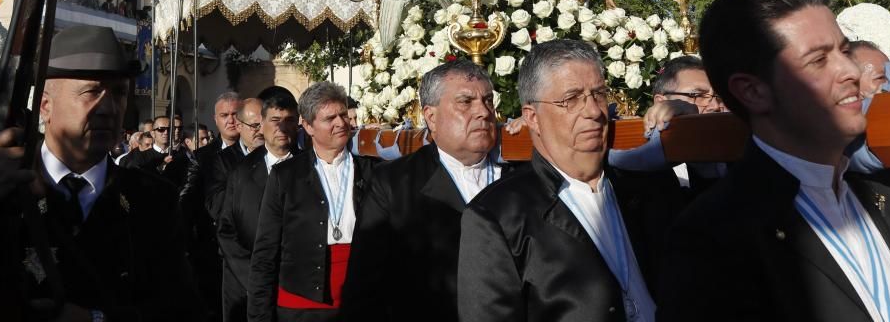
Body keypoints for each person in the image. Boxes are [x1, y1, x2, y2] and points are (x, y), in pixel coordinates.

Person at [657, 0, 890, 321]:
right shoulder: (712, 239)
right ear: (752, 91)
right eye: (818, 60)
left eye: (843, 50)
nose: (850, 71)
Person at [0, 24, 199, 320]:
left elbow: (182, 308)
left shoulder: (153, 197)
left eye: (119, 93)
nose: (109, 107)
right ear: (45, 105)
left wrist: (96, 319)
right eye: (91, 92)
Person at [457, 40, 682, 322]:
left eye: (598, 94)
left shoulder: (647, 184)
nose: (594, 111)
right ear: (533, 118)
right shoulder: (496, 216)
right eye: (571, 99)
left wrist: (690, 130)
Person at [342, 60, 510, 321]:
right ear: (431, 117)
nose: (483, 112)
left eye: (488, 100)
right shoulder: (394, 183)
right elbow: (364, 286)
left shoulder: (519, 177)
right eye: (466, 102)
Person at [247, 82, 374, 321]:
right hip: (301, 307)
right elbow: (265, 253)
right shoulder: (286, 176)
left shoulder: (373, 172)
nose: (341, 123)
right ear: (308, 126)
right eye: (330, 118)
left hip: (362, 302)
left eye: (343, 115)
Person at [219, 91, 300, 322]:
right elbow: (226, 230)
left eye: (289, 121)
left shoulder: (310, 169)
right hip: (245, 287)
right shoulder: (241, 172)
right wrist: (255, 278)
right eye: (275, 121)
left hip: (294, 289)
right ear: (261, 124)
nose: (282, 128)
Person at [182, 91, 244, 322]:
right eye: (224, 115)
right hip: (213, 251)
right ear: (215, 119)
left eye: (235, 114)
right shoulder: (202, 157)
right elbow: (187, 203)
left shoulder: (262, 152)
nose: (231, 120)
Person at [650, 57, 725, 188]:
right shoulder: (642, 170)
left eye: (717, 96)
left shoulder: (736, 157)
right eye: (697, 95)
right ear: (661, 103)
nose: (715, 106)